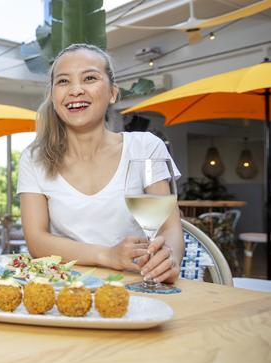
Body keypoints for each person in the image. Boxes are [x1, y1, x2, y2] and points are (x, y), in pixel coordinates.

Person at [18, 43, 183, 284]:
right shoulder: (34, 159)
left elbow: (169, 227)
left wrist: (169, 259)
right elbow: (36, 241)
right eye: (63, 81)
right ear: (53, 96)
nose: (76, 90)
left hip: (135, 283)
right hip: (65, 287)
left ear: (113, 92)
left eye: (90, 78)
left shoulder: (145, 147)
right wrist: (107, 255)